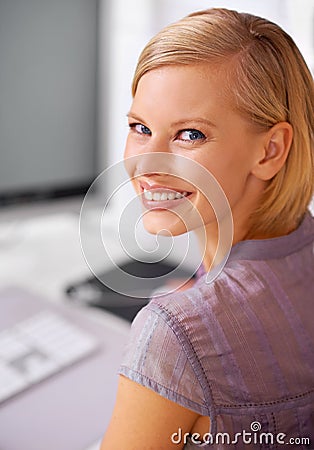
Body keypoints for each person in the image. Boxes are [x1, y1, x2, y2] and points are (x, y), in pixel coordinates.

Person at [101, 7, 314, 449]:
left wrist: (184, 327)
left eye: (190, 135)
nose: (146, 163)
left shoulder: (173, 330)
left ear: (271, 150)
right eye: (140, 128)